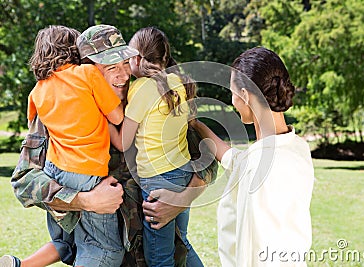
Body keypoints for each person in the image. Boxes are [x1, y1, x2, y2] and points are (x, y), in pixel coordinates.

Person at [1, 25, 209, 267]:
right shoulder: (61, 117)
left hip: (163, 256)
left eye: (124, 64)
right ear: (87, 70)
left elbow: (204, 158)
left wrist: (180, 200)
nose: (122, 76)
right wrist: (84, 200)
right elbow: (24, 181)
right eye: (110, 68)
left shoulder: (148, 96)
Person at [190, 47, 314, 266]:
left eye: (232, 93)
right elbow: (235, 160)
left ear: (245, 95)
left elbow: (255, 248)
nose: (232, 102)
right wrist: (197, 125)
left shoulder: (259, 167)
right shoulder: (296, 147)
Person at [109, 27, 203, 267]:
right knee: (181, 243)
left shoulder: (141, 88)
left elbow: (122, 142)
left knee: (158, 257)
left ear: (138, 59)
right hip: (183, 173)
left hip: (157, 180)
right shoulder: (179, 82)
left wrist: (102, 116)